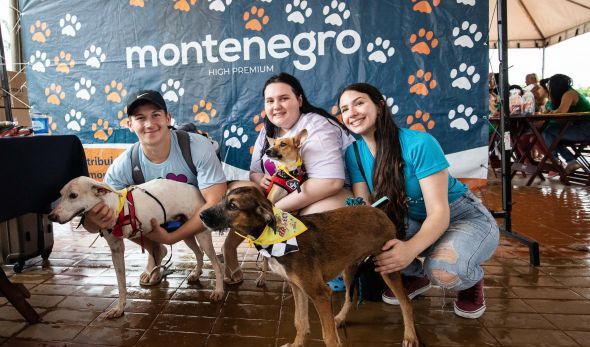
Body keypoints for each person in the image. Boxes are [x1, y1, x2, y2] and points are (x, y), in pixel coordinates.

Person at [338, 83, 499, 319]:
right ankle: (417, 275)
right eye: (344, 109)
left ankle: (469, 280)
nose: (351, 112)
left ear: (380, 106)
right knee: (371, 238)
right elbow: (367, 208)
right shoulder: (354, 153)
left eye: (359, 102)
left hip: (460, 216)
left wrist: (409, 249)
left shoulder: (419, 143)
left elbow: (439, 213)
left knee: (445, 273)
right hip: (410, 218)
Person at [83, 90, 228, 286]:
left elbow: (214, 203)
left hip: (200, 211)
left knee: (245, 191)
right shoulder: (124, 164)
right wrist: (95, 219)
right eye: (140, 118)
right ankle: (155, 251)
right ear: (129, 124)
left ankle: (231, 252)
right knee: (121, 215)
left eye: (156, 115)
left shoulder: (197, 145)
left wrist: (171, 237)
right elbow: (93, 224)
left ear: (168, 118)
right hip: (160, 219)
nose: (149, 124)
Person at [221, 72, 355, 284]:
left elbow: (330, 182)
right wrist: (258, 178)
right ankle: (229, 248)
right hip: (286, 190)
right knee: (242, 196)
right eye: (270, 101)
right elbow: (254, 169)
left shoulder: (316, 126)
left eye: (284, 98)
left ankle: (328, 269)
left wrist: (274, 210)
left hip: (331, 194)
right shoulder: (269, 129)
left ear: (299, 100)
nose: (276, 106)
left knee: (311, 217)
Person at [543, 74, 590, 174]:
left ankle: (554, 161)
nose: (549, 88)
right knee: (552, 135)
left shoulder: (570, 93)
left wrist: (550, 112)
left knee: (548, 132)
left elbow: (561, 112)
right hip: (581, 127)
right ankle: (568, 161)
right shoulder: (567, 93)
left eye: (550, 86)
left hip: (586, 129)